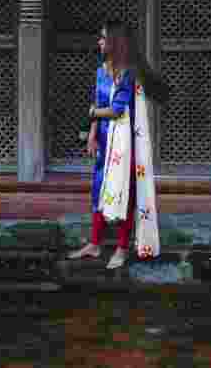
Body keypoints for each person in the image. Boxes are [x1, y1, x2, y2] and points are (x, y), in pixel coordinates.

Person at [67, 20, 168, 268]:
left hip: (124, 146)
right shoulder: (101, 70)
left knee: (124, 191)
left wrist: (93, 112)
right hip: (104, 139)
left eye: (103, 38)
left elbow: (116, 109)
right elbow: (99, 102)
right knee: (99, 188)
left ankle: (122, 248)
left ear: (114, 42)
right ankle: (94, 244)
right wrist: (92, 133)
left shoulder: (129, 73)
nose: (99, 42)